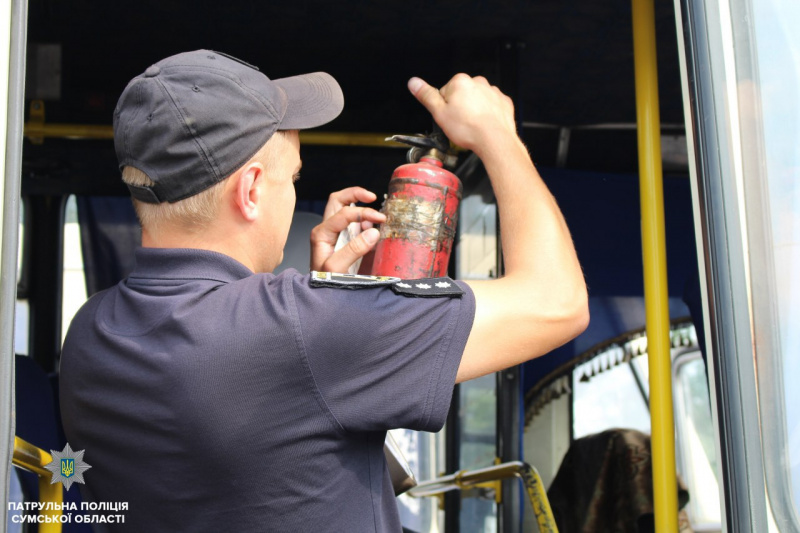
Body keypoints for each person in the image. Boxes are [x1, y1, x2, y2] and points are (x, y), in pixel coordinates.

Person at [60, 50, 588, 532]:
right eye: (292, 178)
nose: (293, 193)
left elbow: (257, 455)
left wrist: (328, 297)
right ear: (251, 190)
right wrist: (497, 136)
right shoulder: (305, 328)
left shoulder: (89, 332)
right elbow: (556, 303)